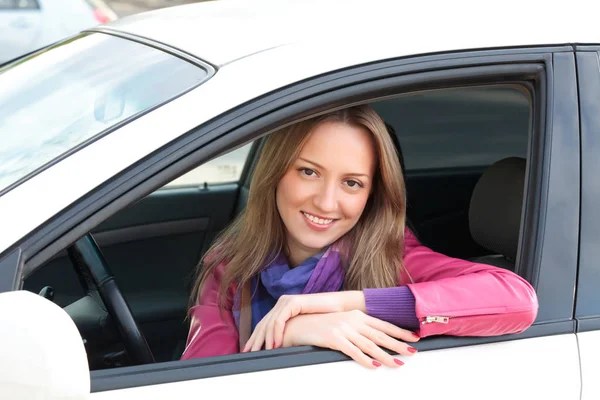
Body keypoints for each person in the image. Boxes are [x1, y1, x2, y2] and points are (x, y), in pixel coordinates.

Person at [180, 105, 538, 369]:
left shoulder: (391, 256)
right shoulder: (231, 264)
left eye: (352, 183)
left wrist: (339, 305)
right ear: (275, 173)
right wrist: (287, 335)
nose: (326, 201)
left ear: (371, 195)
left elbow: (516, 299)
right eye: (308, 172)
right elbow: (201, 382)